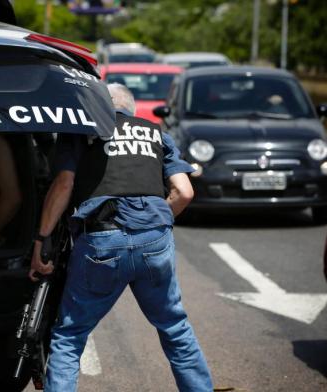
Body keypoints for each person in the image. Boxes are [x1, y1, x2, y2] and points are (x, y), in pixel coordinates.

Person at [30, 83, 213, 392]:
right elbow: (184, 192)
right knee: (174, 327)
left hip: (100, 240)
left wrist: (41, 241)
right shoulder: (156, 134)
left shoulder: (82, 133)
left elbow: (63, 185)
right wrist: (152, 225)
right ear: (130, 108)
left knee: (70, 336)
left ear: (99, 105)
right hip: (153, 241)